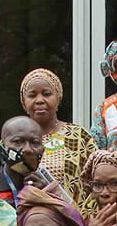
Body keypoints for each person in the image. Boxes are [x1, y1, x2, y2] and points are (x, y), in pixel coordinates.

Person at [21, 67, 97, 204]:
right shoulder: (14, 139)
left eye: (46, 94)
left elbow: (95, 182)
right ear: (24, 102)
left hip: (69, 219)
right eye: (32, 95)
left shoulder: (78, 137)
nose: (39, 100)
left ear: (58, 98)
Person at [0, 116, 52, 203]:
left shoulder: (49, 185)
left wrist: (46, 197)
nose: (28, 149)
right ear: (3, 146)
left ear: (43, 150)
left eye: (35, 142)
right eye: (18, 141)